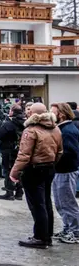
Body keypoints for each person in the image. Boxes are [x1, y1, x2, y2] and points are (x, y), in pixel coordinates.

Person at [10, 103, 63, 249]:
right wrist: (52, 163)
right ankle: (47, 235)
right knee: (46, 202)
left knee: (37, 204)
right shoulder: (55, 128)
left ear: (33, 114)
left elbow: (24, 155)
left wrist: (14, 172)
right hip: (49, 167)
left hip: (34, 170)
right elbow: (59, 152)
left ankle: (40, 237)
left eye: (29, 111)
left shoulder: (31, 130)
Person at [51, 103, 79, 244]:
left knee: (67, 202)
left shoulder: (67, 130)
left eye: (53, 112)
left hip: (66, 171)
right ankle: (68, 228)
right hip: (61, 170)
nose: (51, 115)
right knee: (60, 202)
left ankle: (75, 232)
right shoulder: (62, 128)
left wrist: (54, 157)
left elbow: (71, 152)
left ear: (61, 114)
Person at [0, 104, 26, 201]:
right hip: (21, 149)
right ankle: (19, 192)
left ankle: (9, 192)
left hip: (8, 149)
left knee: (8, 170)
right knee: (19, 171)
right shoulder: (25, 123)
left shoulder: (9, 123)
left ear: (12, 112)